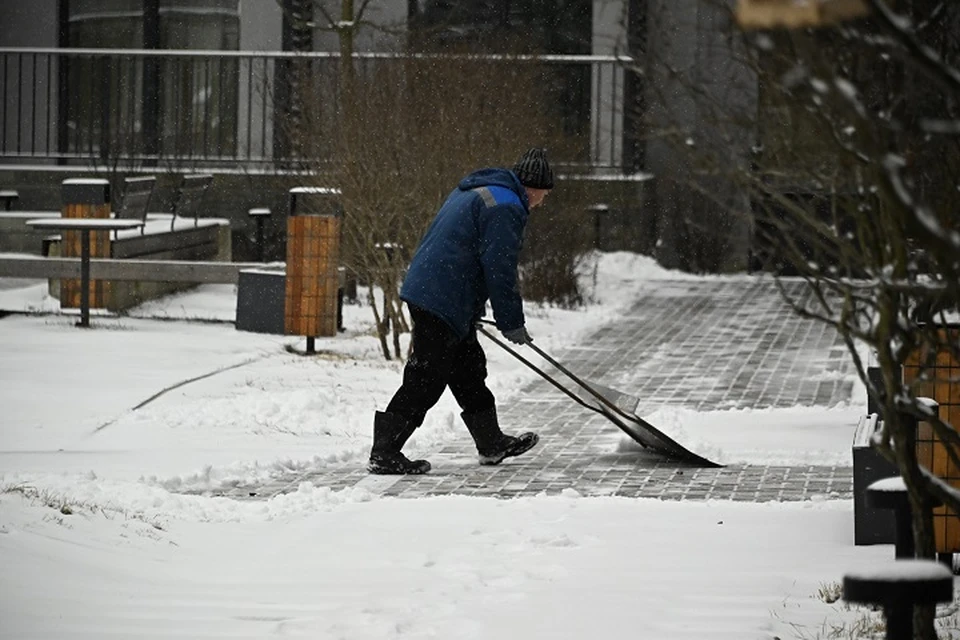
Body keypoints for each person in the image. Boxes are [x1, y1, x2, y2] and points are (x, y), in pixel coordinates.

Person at [368, 147, 555, 475]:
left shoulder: (484, 190)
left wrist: (471, 307)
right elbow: (499, 267)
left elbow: (465, 250)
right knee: (426, 376)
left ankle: (491, 442)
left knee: (468, 369)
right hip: (441, 297)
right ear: (534, 189)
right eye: (544, 195)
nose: (542, 202)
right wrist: (511, 321)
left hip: (437, 290)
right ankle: (384, 452)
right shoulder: (506, 206)